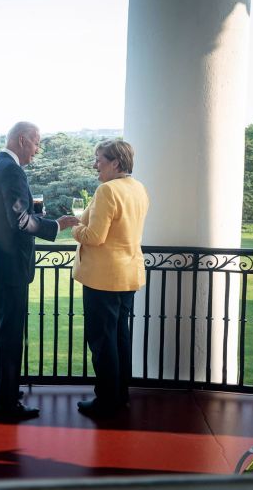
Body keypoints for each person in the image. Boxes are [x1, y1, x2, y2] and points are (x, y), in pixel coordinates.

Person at [0, 121, 78, 420]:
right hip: (10, 268)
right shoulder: (11, 170)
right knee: (9, 336)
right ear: (22, 140)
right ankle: (6, 404)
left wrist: (32, 214)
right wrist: (55, 225)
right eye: (36, 142)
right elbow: (20, 221)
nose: (38, 149)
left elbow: (6, 214)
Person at [71, 138, 149, 418]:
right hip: (128, 274)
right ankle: (120, 396)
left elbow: (95, 236)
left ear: (115, 162)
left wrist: (74, 228)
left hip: (103, 279)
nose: (95, 163)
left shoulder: (107, 190)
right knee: (119, 338)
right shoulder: (138, 188)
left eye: (99, 158)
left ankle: (105, 401)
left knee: (103, 342)